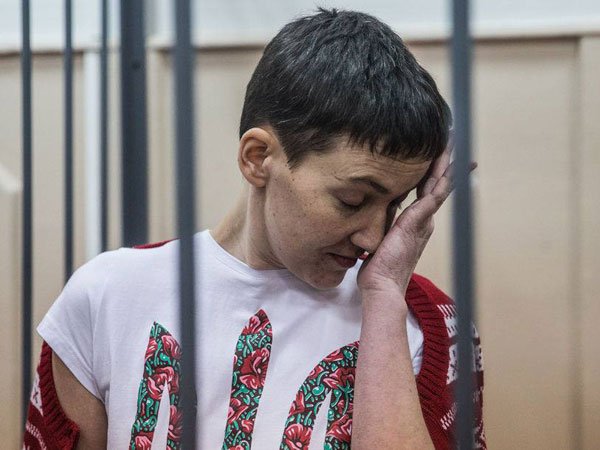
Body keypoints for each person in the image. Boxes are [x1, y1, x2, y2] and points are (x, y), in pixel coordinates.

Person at [23, 8, 485, 450]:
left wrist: (384, 295)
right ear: (258, 158)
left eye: (396, 205)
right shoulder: (108, 297)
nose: (373, 238)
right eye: (352, 200)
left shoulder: (429, 325)